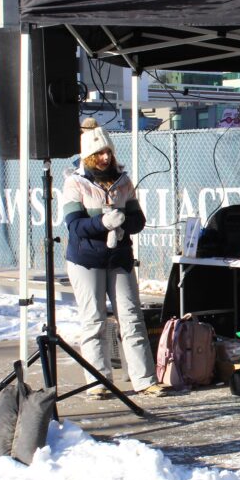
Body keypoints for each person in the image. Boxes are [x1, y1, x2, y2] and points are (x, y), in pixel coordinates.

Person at [62, 117, 165, 398]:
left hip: (119, 258)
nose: (105, 158)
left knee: (132, 318)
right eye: (99, 153)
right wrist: (103, 223)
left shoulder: (123, 181)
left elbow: (138, 220)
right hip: (86, 260)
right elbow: (74, 226)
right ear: (88, 155)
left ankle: (145, 380)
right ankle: (98, 382)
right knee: (94, 321)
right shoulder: (75, 183)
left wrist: (123, 223)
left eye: (108, 152)